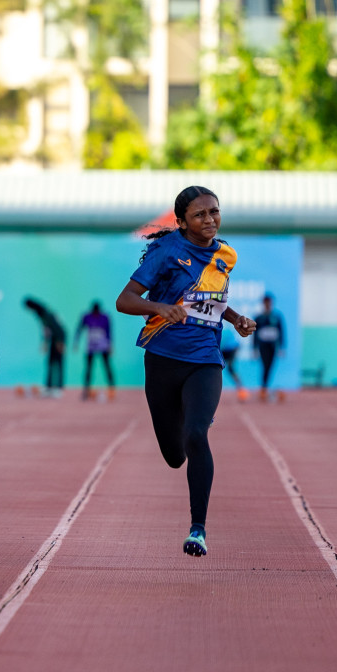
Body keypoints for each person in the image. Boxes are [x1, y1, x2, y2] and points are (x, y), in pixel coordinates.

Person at [116, 186, 256, 558]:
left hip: (205, 358)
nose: (209, 220)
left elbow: (212, 302)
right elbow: (124, 300)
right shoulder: (167, 252)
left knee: (197, 434)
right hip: (162, 357)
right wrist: (162, 307)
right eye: (199, 215)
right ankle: (180, 437)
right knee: (175, 455)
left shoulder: (226, 255)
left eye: (214, 212)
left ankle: (198, 529)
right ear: (181, 221)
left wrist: (236, 318)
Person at [23, 297, 66, 397]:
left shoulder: (45, 313)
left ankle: (58, 389)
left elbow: (57, 327)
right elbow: (46, 329)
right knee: (50, 362)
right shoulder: (40, 314)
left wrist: (60, 342)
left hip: (59, 338)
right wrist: (45, 343)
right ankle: (49, 387)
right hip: (53, 338)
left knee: (58, 363)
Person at [77, 301, 114, 401]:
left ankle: (112, 389)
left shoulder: (105, 317)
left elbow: (109, 331)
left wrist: (110, 345)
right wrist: (76, 342)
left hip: (103, 346)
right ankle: (86, 391)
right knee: (88, 369)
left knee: (107, 367)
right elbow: (79, 329)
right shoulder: (87, 317)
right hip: (91, 346)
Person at [253, 293, 286, 402]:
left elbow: (281, 332)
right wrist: (254, 348)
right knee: (265, 364)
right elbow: (255, 333)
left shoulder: (276, 316)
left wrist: (282, 347)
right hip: (263, 345)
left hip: (272, 345)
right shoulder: (259, 317)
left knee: (270, 365)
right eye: (265, 302)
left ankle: (264, 387)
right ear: (263, 303)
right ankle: (264, 388)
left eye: (269, 302)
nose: (267, 304)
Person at [221, 324, 247, 402]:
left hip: (231, 348)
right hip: (223, 348)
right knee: (215, 367)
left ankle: (241, 389)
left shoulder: (223, 328)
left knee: (230, 367)